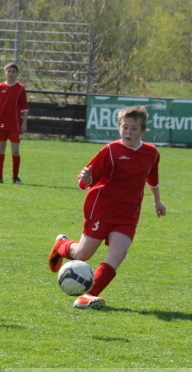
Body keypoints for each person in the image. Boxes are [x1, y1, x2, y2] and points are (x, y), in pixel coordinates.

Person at [47, 106, 166, 310]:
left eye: (134, 128)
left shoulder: (151, 153)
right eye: (124, 127)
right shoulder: (111, 150)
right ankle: (61, 245)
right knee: (83, 254)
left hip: (128, 213)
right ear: (119, 128)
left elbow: (152, 176)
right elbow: (87, 179)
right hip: (102, 208)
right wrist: (86, 178)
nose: (128, 132)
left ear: (143, 131)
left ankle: (87, 296)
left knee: (118, 254)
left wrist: (157, 201)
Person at [0, 63, 29, 184]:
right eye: (8, 71)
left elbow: (24, 108)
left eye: (13, 71)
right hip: (1, 124)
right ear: (5, 73)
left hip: (15, 124)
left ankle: (15, 177)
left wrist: (24, 123)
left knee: (15, 151)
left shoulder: (20, 88)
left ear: (17, 74)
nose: (10, 74)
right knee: (0, 149)